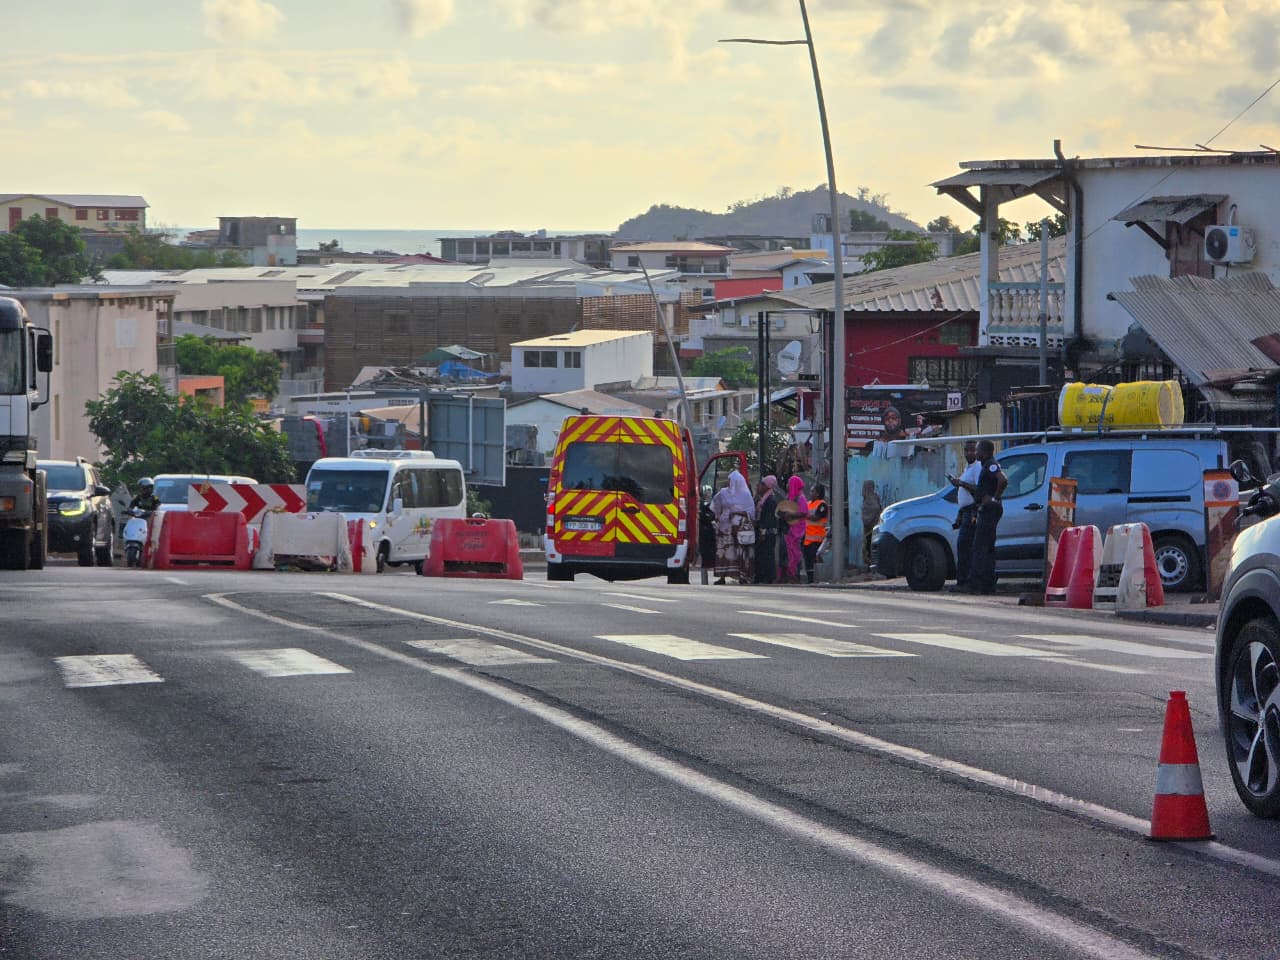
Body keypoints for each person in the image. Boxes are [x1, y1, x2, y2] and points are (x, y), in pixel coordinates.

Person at [964, 439, 1007, 595]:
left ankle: (976, 584)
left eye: (978, 450)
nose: (976, 453)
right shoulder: (986, 465)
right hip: (986, 509)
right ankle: (987, 585)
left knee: (980, 548)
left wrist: (995, 498)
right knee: (987, 548)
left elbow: (1003, 480)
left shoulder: (990, 464)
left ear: (986, 452)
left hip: (989, 510)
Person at [710, 469, 755, 584]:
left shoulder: (745, 495)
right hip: (725, 528)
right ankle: (722, 577)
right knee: (724, 551)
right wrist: (719, 516)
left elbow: (751, 512)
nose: (730, 483)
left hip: (739, 529)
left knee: (740, 552)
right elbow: (715, 505)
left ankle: (742, 576)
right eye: (729, 480)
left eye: (732, 481)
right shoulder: (723, 493)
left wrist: (736, 513)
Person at [948, 440, 981, 590]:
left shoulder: (978, 467)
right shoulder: (969, 468)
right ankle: (964, 580)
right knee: (964, 546)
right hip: (965, 511)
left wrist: (961, 483)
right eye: (967, 450)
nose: (969, 453)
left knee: (965, 546)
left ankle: (965, 581)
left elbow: (979, 490)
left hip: (973, 511)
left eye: (972, 450)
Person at [779, 475, 809, 583]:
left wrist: (791, 515)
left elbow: (804, 512)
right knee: (788, 552)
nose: (787, 485)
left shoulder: (801, 498)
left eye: (789, 483)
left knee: (796, 553)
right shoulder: (790, 497)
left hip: (798, 530)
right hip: (790, 528)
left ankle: (795, 575)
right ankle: (788, 575)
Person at [754, 475, 779, 584]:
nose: (760, 486)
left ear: (768, 486)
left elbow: (768, 519)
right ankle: (761, 576)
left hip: (767, 533)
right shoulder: (762, 499)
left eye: (762, 484)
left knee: (767, 555)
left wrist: (763, 532)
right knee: (762, 554)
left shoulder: (770, 500)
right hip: (763, 531)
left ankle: (768, 577)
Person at [803, 482, 829, 584]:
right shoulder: (808, 504)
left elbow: (816, 517)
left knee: (814, 559)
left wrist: (803, 515)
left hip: (817, 539)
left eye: (812, 491)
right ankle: (810, 580)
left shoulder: (822, 504)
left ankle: (817, 579)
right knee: (808, 560)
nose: (810, 493)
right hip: (807, 538)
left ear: (817, 493)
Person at [860, 479, 882, 568]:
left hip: (871, 527)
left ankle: (872, 566)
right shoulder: (871, 498)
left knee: (869, 547)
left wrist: (868, 519)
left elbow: (876, 508)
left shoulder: (872, 499)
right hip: (871, 527)